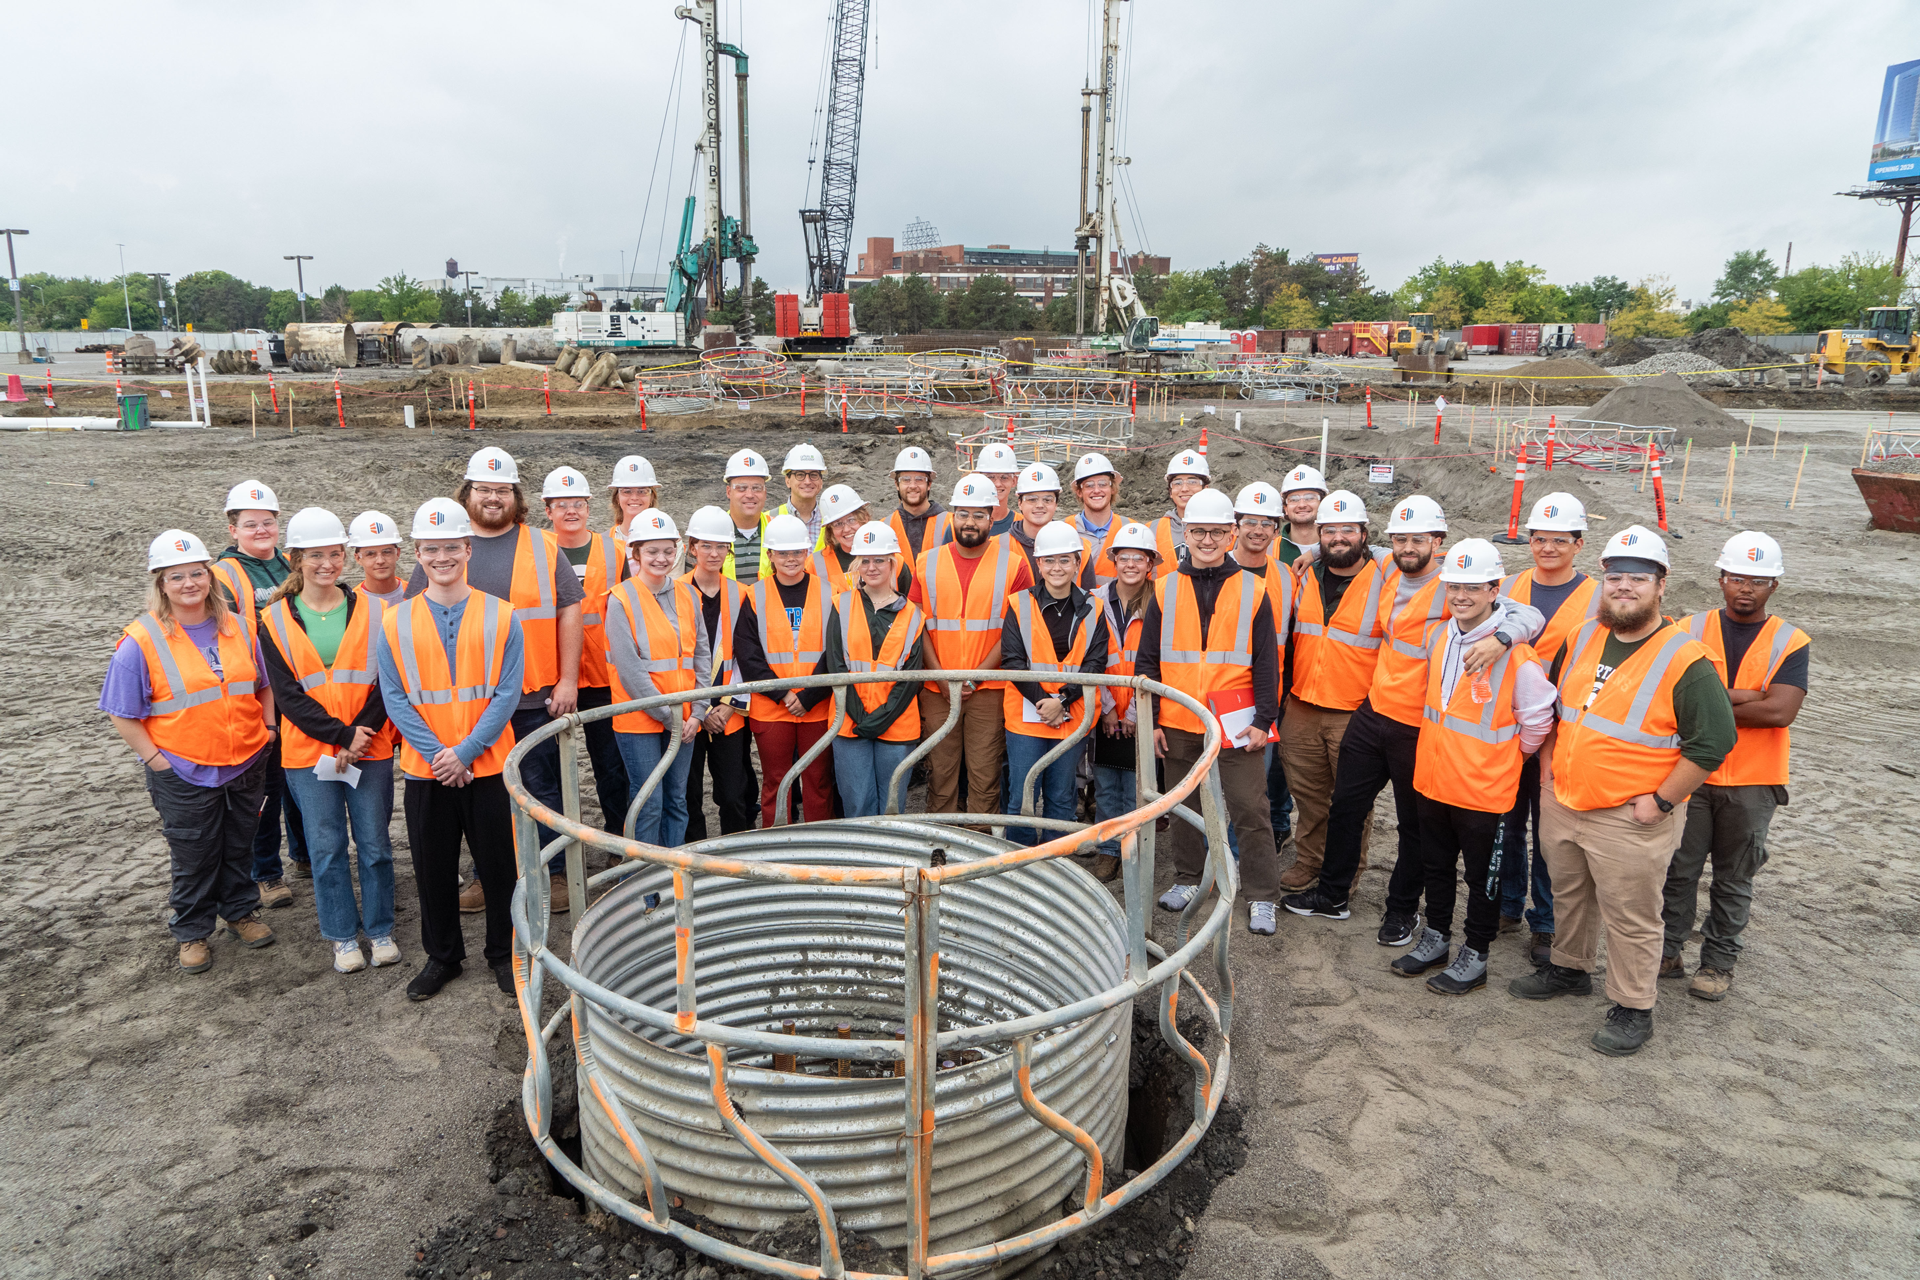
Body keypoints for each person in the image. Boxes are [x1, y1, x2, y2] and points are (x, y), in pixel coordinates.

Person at [1508, 526, 1736, 1058]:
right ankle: (1569, 969)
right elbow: (1555, 711)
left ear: (1661, 586)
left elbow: (1714, 742)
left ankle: (1634, 1006)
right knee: (1571, 895)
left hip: (1631, 816)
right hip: (1565, 800)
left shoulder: (1686, 659)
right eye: (1616, 578)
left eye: (1638, 579)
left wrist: (1659, 802)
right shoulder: (1582, 635)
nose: (1624, 588)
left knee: (1632, 915)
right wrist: (1547, 771)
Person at [1285, 497, 1541, 941]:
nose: (1407, 547)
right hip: (1373, 712)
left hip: (1418, 726)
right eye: (1400, 538)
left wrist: (1503, 637)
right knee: (1346, 808)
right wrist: (1308, 552)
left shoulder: (1454, 584)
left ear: (1437, 543)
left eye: (1417, 539)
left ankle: (1401, 911)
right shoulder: (1387, 568)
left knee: (1414, 827)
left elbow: (1526, 613)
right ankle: (1333, 894)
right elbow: (1349, 549)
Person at [412, 447, 584, 917]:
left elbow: (570, 609)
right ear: (468, 493)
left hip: (533, 697)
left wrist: (568, 679)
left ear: (515, 495)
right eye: (484, 489)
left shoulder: (542, 545)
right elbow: (414, 620)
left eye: (502, 490)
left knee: (541, 788)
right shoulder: (444, 545)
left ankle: (554, 873)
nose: (493, 498)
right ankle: (490, 876)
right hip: (465, 703)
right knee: (479, 796)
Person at [104, 530, 278, 974]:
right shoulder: (140, 641)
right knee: (194, 853)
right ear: (160, 583)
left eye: (197, 573)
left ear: (209, 576)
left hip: (244, 761)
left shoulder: (238, 626)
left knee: (239, 843)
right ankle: (192, 931)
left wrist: (269, 727)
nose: (189, 584)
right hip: (183, 769)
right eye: (176, 576)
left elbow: (261, 683)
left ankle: (240, 911)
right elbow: (122, 713)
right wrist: (157, 761)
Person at [378, 498, 524, 1000]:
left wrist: (465, 751)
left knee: (500, 866)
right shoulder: (394, 621)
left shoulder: (503, 616)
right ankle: (444, 958)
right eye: (430, 549)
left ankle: (504, 955)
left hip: (485, 766)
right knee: (432, 868)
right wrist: (444, 755)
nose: (442, 557)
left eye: (452, 548)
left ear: (468, 549)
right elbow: (394, 696)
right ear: (417, 554)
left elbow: (507, 693)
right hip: (427, 770)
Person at [1396, 539, 1556, 994]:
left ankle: (1476, 954)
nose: (1461, 596)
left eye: (1471, 587)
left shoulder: (1517, 656)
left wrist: (1509, 758)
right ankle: (1437, 938)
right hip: (1433, 779)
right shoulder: (1441, 636)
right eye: (1453, 588)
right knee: (1437, 867)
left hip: (1486, 790)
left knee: (1482, 878)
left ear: (1494, 589)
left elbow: (1539, 717)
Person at [1660, 531, 1808, 1003]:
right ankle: (1667, 951)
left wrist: (1712, 701)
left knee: (1734, 875)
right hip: (1691, 773)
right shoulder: (1685, 628)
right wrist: (1750, 695)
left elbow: (1781, 712)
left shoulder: (1791, 640)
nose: (1746, 588)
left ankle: (1718, 962)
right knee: (1677, 869)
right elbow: (1671, 699)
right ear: (1721, 579)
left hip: (1754, 781)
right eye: (1737, 578)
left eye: (1758, 581)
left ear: (1774, 586)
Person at [260, 508, 400, 975]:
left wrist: (360, 734)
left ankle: (379, 929)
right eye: (316, 555)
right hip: (308, 754)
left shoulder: (379, 610)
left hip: (371, 749)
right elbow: (287, 696)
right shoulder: (273, 620)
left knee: (376, 844)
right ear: (295, 559)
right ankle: (342, 937)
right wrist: (341, 735)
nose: (327, 564)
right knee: (327, 848)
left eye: (335, 554)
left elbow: (388, 682)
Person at [1140, 488, 1282, 934]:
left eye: (1217, 532)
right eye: (1198, 531)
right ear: (1187, 532)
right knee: (1184, 807)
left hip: (1235, 726)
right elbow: (1147, 662)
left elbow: (1265, 662)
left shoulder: (1254, 590)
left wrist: (1264, 719)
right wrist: (1157, 719)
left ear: (1231, 534)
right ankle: (1188, 878)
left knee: (1249, 809)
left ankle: (1261, 894)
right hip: (1180, 722)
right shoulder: (1164, 587)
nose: (1206, 540)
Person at [1497, 492, 1600, 965]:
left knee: (1550, 832)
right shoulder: (1509, 585)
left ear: (1579, 544)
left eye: (1560, 540)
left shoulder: (1598, 596)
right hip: (1507, 724)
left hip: (1563, 732)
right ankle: (1506, 904)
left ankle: (1545, 922)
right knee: (1506, 819)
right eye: (1540, 539)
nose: (1548, 548)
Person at [1277, 490, 1387, 894]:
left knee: (1352, 804)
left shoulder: (1386, 576)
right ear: (1318, 535)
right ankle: (1310, 861)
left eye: (1348, 530)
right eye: (1330, 531)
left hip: (1355, 713)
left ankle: (1344, 873)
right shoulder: (1303, 575)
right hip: (1302, 706)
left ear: (1364, 534)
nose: (1338, 538)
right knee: (1308, 796)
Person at [912, 473, 1034, 821]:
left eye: (979, 514)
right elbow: (918, 626)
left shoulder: (1013, 564)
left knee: (985, 774)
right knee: (941, 773)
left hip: (989, 688)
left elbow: (1014, 630)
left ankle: (980, 849)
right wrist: (941, 678)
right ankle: (941, 845)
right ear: (952, 516)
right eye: (963, 513)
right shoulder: (927, 562)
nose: (969, 522)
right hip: (937, 688)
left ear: (992, 517)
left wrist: (973, 679)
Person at [213, 480, 310, 903]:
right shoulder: (224, 574)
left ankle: (305, 855)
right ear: (233, 529)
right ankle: (266, 872)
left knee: (302, 779)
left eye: (267, 522)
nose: (260, 531)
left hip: (300, 688)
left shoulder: (292, 562)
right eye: (250, 524)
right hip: (259, 696)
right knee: (267, 789)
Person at [1002, 521, 1109, 846]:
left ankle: (1055, 864)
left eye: (1065, 560)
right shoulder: (1018, 604)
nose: (1057, 567)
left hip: (1070, 717)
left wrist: (1060, 701)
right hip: (1025, 718)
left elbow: (1095, 663)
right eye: (1050, 560)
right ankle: (1019, 863)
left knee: (1061, 796)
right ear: (1039, 564)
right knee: (1021, 796)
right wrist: (1045, 702)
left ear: (1078, 562)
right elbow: (1013, 661)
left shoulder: (1094, 607)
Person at [605, 510, 705, 847]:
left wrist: (700, 711)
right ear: (636, 553)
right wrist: (671, 717)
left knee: (677, 800)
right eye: (651, 551)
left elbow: (701, 656)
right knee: (649, 802)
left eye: (667, 551)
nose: (661, 559)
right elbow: (631, 671)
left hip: (686, 718)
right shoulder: (620, 600)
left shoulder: (689, 595)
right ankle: (643, 884)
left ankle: (672, 877)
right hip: (640, 720)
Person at [541, 466, 631, 837]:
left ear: (589, 506)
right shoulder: (536, 550)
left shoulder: (616, 551)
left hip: (602, 676)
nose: (571, 511)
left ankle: (618, 841)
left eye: (577, 503)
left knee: (611, 767)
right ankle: (560, 850)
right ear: (547, 510)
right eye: (561, 504)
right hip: (549, 675)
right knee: (548, 769)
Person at [736, 514, 836, 827]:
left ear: (807, 552)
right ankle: (776, 842)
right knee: (776, 782)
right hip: (771, 708)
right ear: (770, 556)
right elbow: (748, 655)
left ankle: (819, 848)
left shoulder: (830, 593)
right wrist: (783, 693)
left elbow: (836, 651)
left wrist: (808, 695)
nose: (790, 559)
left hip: (817, 706)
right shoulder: (755, 595)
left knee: (818, 781)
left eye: (796, 552)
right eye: (783, 553)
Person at [824, 522, 926, 817]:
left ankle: (890, 864)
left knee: (892, 805)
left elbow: (910, 678)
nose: (872, 567)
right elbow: (836, 664)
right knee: (857, 804)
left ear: (892, 562)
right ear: (856, 563)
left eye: (879, 559)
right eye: (865, 560)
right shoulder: (841, 604)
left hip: (896, 724)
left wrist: (880, 718)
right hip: (849, 721)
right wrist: (859, 714)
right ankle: (862, 864)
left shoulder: (913, 615)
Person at [679, 506, 757, 840]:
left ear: (729, 549)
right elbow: (675, 656)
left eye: (720, 546)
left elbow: (747, 655)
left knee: (732, 791)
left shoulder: (742, 594)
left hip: (730, 712)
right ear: (692, 547)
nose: (713, 553)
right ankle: (696, 859)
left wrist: (725, 705)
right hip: (689, 711)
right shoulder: (674, 592)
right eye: (705, 546)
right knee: (688, 792)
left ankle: (737, 854)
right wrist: (702, 709)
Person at [1226, 481, 1296, 854]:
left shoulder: (1286, 577)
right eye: (1250, 521)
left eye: (1267, 522)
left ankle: (1237, 857)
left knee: (1254, 787)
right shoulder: (1216, 568)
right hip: (1218, 694)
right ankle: (1211, 854)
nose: (1258, 530)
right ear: (1235, 526)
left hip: (1266, 696)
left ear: (1277, 529)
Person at [1087, 523, 1157, 880]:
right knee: (1106, 783)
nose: (1130, 564)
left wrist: (1132, 711)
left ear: (1150, 564)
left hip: (1142, 708)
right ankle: (1108, 850)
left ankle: (1133, 849)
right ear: (1114, 560)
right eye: (1124, 557)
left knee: (1135, 786)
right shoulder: (1094, 599)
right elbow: (1089, 656)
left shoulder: (1159, 602)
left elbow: (1157, 659)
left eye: (1139, 558)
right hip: (1105, 707)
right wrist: (1108, 708)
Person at [812, 483, 912, 596]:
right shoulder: (814, 565)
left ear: (864, 517)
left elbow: (909, 606)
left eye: (851, 520)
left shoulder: (894, 561)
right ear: (830, 529)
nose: (846, 529)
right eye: (838, 524)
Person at [1070, 452, 1129, 585]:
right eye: (1089, 485)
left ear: (1112, 488)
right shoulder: (1065, 530)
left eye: (1102, 484)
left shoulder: (1129, 529)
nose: (1096, 490)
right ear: (1079, 492)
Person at [1150, 450, 1210, 576]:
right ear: (1170, 491)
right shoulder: (1151, 530)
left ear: (1205, 489)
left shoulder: (1224, 531)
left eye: (1192, 482)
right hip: (1161, 595)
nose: (1184, 488)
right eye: (1177, 483)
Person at [887, 445, 950, 558]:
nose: (912, 486)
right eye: (906, 479)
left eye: (919, 479)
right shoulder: (886, 526)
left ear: (929, 484)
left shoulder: (950, 523)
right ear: (897, 484)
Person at [722, 448, 774, 584]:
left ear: (765, 493)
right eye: (741, 488)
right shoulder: (712, 532)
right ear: (729, 492)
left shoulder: (777, 531)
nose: (750, 495)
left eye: (756, 488)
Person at [777, 443, 829, 550]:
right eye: (800, 475)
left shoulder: (832, 521)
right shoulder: (768, 520)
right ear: (788, 481)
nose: (807, 481)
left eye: (813, 475)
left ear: (821, 481)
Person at [348, 511, 407, 606]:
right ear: (358, 558)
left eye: (387, 552)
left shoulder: (415, 594)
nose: (380, 561)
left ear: (398, 553)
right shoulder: (352, 603)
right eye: (370, 554)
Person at [1276, 465, 1328, 566]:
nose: (1302, 505)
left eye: (1310, 498)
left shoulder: (1338, 548)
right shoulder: (1269, 549)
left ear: (1322, 504)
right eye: (1294, 499)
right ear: (1285, 508)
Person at [608, 455, 660, 541]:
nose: (634, 497)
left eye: (642, 491)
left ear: (651, 497)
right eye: (627, 491)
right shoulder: (604, 541)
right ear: (617, 498)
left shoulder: (669, 536)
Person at [975, 442, 1022, 536]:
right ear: (978, 478)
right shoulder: (963, 526)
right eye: (990, 477)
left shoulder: (1022, 525)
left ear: (1014, 481)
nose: (997, 484)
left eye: (1004, 477)